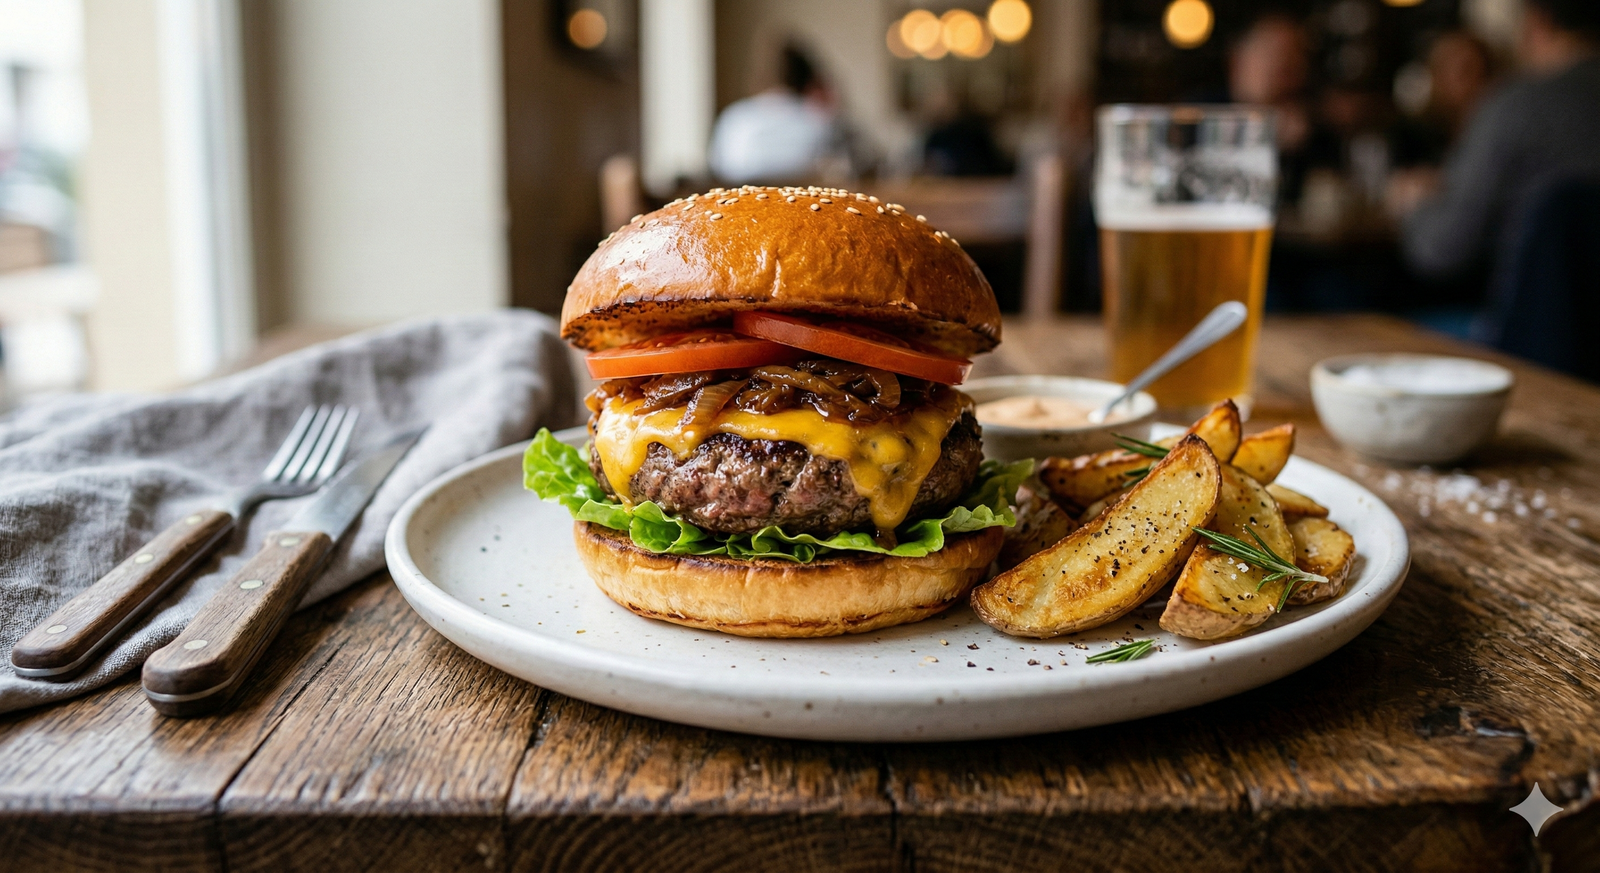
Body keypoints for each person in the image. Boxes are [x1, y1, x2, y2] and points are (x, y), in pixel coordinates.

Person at [1397, 0, 1600, 280]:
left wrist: (1415, 206)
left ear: (1536, 23)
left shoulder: (1515, 106)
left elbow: (1440, 248)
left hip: (1530, 315)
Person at [707, 44, 837, 185]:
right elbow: (834, 168)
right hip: (799, 192)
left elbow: (718, 167)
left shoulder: (733, 116)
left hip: (735, 190)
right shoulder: (817, 119)